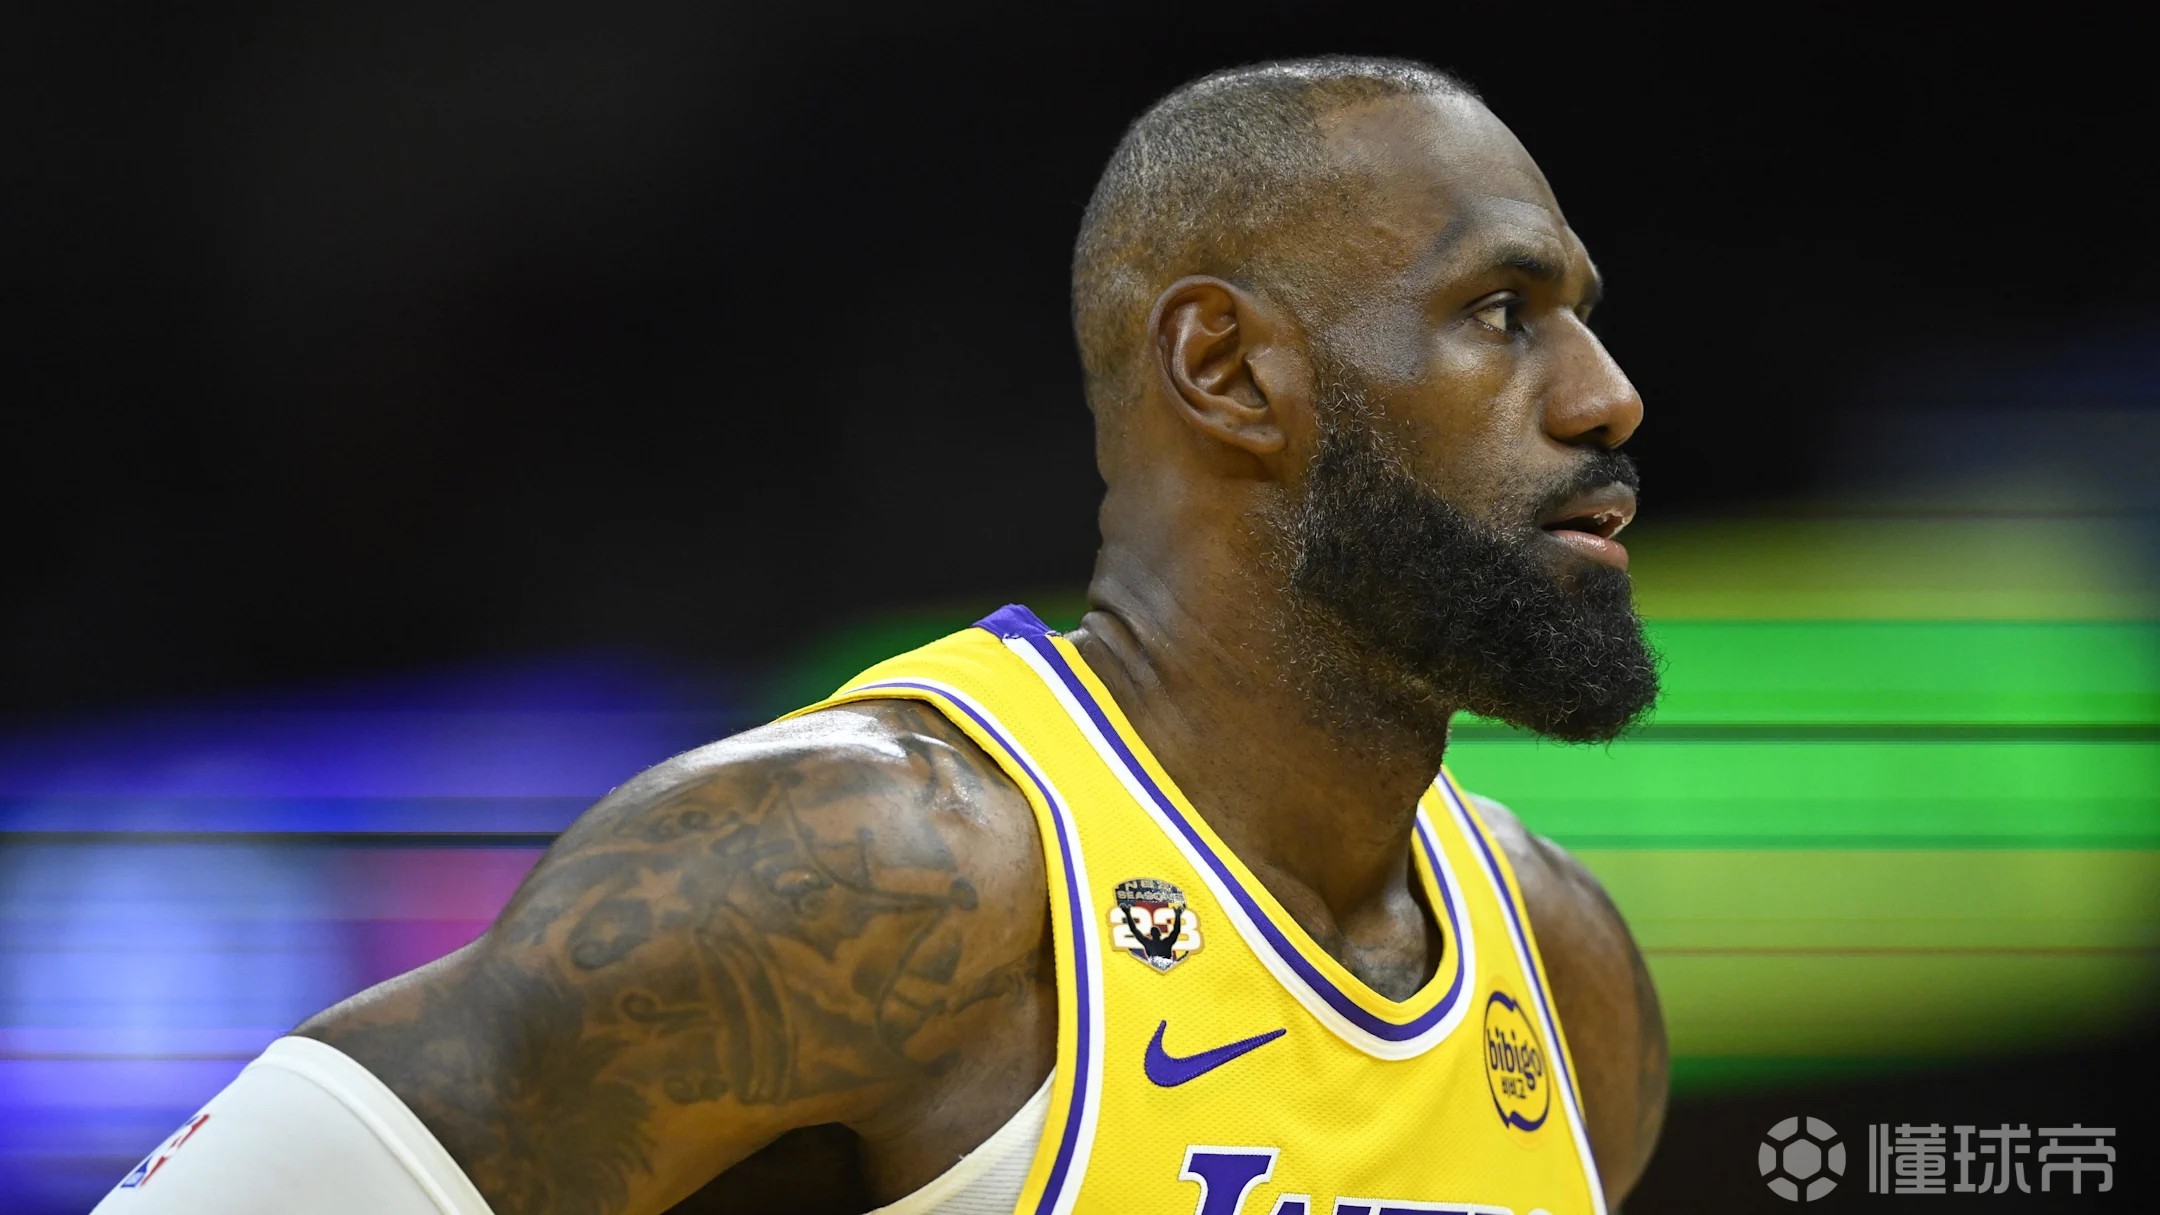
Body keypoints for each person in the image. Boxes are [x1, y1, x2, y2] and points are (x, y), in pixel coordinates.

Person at [94, 54, 1667, 1215]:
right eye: (1501, 313)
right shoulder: (874, 873)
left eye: (1584, 316)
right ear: (1228, 370)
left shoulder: (1564, 973)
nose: (1607, 396)